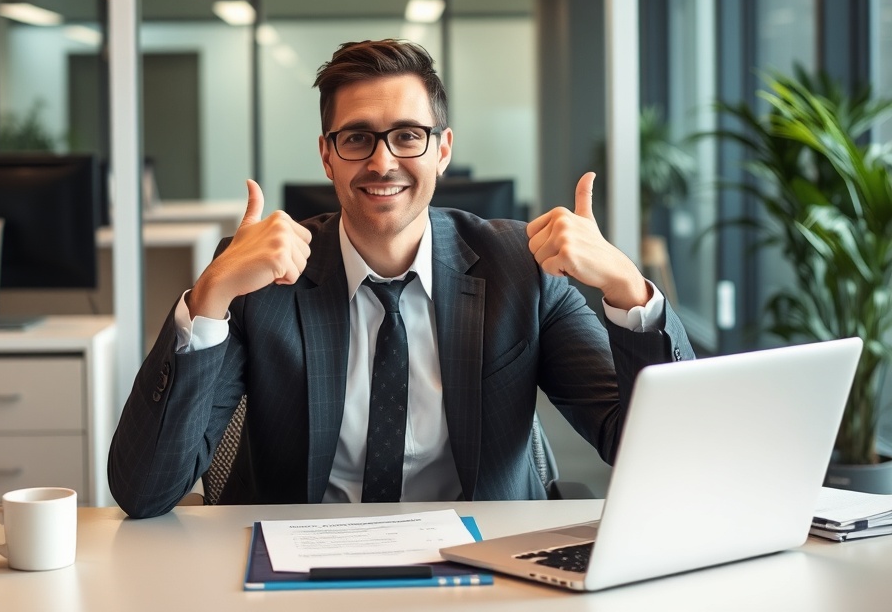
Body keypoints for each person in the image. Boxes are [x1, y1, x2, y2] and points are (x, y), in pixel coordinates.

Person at [108, 39, 695, 519]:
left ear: (442, 150)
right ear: (326, 155)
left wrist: (629, 290)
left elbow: (665, 453)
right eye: (357, 137)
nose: (382, 161)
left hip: (481, 572)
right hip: (302, 573)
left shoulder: (520, 268)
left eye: (407, 135)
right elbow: (145, 492)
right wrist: (210, 296)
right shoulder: (266, 285)